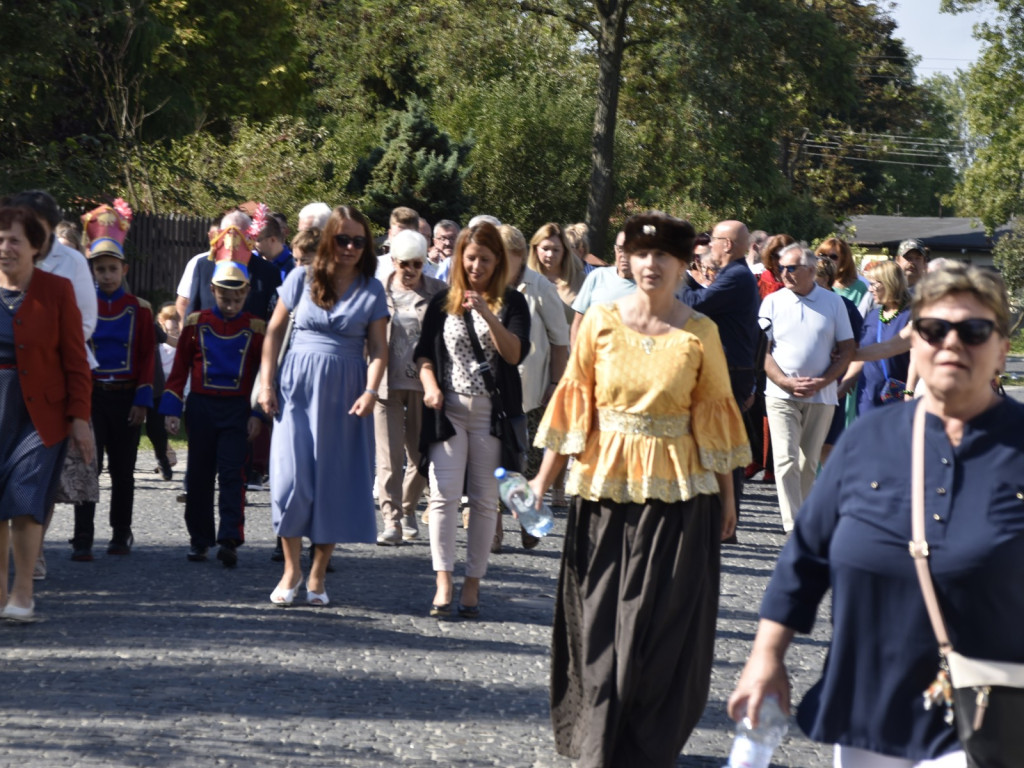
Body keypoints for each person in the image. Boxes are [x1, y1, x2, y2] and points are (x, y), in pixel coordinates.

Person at [727, 263, 1022, 767]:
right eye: (933, 329)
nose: (951, 343)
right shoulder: (869, 438)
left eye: (973, 331)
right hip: (867, 706)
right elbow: (805, 557)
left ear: (1001, 350)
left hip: (986, 711)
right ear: (914, 340)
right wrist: (766, 656)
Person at [530, 212, 751, 767]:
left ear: (684, 265)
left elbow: (713, 418)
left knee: (659, 631)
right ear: (628, 258)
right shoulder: (600, 321)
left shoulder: (700, 334)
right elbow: (574, 401)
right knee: (599, 625)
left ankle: (645, 746)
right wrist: (540, 482)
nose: (652, 265)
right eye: (641, 254)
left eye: (665, 257)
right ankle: (596, 744)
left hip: (680, 503)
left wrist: (727, 500)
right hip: (603, 497)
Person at [259, 205, 388, 608]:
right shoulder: (301, 277)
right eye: (343, 238)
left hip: (346, 390)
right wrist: (267, 383)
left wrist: (370, 391)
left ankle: (317, 573)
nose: (350, 247)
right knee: (289, 479)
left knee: (332, 481)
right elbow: (274, 332)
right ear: (329, 238)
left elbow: (381, 349)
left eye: (358, 241)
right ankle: (290, 568)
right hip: (296, 386)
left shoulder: (372, 288)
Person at [414, 221, 530, 618]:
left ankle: (473, 584)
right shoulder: (442, 301)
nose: (477, 265)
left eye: (485, 259)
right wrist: (430, 383)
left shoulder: (513, 303)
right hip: (448, 411)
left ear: (498, 262)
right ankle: (443, 580)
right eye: (471, 258)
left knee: (483, 502)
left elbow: (514, 355)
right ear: (460, 259)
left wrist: (487, 313)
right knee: (443, 496)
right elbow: (423, 354)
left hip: (490, 415)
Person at [0, 206, 93, 621]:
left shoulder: (57, 290)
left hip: (41, 413)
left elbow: (75, 359)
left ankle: (22, 593)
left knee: (24, 499)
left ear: (36, 247)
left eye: (14, 239)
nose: (5, 248)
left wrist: (80, 417)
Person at [162, 261, 265, 567]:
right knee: (199, 476)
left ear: (246, 293)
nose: (231, 305)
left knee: (234, 474)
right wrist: (171, 408)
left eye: (237, 299)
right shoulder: (195, 323)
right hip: (202, 408)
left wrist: (257, 413)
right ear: (212, 291)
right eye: (224, 298)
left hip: (237, 409)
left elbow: (264, 374)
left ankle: (230, 537)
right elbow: (179, 369)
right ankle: (199, 538)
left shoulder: (256, 328)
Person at [72, 203, 156, 560]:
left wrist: (142, 398)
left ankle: (121, 532)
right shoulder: (80, 306)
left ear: (124, 269)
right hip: (92, 396)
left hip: (125, 397)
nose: (106, 275)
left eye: (112, 269)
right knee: (88, 467)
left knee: (123, 470)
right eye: (100, 269)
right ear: (91, 270)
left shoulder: (140, 308)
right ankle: (82, 537)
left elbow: (147, 356)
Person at [761, 244, 855, 533]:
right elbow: (762, 351)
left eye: (791, 268)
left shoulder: (833, 303)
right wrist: (783, 381)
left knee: (808, 462)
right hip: (780, 394)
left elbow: (848, 347)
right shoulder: (773, 302)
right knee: (785, 459)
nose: (783, 273)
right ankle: (793, 524)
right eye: (781, 268)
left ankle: (803, 515)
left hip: (822, 395)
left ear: (811, 271)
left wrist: (826, 381)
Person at [680, 219, 761, 542]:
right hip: (730, 369)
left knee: (724, 446)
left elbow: (696, 306)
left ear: (727, 245)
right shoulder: (733, 276)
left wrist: (680, 280)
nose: (710, 245)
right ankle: (720, 520)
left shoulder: (737, 276)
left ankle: (726, 524)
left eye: (713, 240)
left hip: (729, 372)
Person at [498, 223, 569, 548]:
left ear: (517, 256)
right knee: (493, 460)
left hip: (533, 392)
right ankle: (492, 528)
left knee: (525, 462)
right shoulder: (485, 284)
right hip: (494, 389)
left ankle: (528, 518)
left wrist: (555, 384)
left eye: (505, 257)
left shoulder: (539, 286)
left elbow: (559, 341)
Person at [374, 229, 446, 545]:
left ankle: (405, 508)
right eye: (405, 264)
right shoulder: (377, 292)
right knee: (388, 458)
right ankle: (391, 521)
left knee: (421, 457)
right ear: (394, 261)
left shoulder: (440, 292)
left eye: (417, 264)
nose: (411, 271)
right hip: (386, 382)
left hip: (423, 383)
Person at [839, 260, 912, 415]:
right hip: (868, 395)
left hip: (899, 397)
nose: (870, 289)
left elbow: (917, 359)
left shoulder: (911, 316)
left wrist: (910, 392)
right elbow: (862, 356)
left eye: (874, 284)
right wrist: (845, 384)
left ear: (889, 283)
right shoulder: (872, 316)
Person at [570, 229, 635, 347]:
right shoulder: (597, 276)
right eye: (620, 249)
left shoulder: (648, 288)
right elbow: (577, 325)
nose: (624, 255)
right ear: (615, 249)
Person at [527, 222, 584, 325]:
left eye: (556, 250)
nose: (550, 255)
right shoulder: (525, 280)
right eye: (545, 249)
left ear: (565, 251)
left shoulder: (581, 280)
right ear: (535, 249)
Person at [817, 237, 871, 315]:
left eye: (833, 257)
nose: (826, 260)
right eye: (822, 255)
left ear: (844, 260)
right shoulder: (810, 284)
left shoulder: (859, 288)